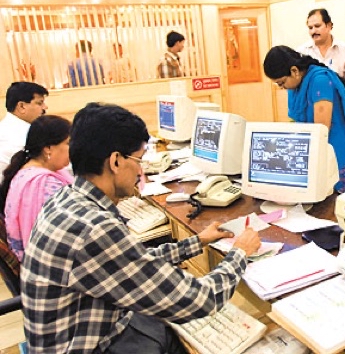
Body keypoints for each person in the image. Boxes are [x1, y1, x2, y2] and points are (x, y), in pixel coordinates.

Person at [21, 103, 261, 353]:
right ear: (115, 161)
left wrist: (196, 242)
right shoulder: (94, 228)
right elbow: (199, 300)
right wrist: (240, 253)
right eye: (139, 160)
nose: (141, 170)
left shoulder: (67, 199)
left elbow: (133, 262)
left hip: (88, 329)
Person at [263, 46, 345, 193]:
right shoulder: (298, 85)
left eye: (282, 83)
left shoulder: (320, 81)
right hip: (315, 146)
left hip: (333, 147)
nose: (282, 88)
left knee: (334, 197)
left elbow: (322, 129)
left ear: (294, 71)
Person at [0, 115, 73, 262]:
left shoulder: (27, 171)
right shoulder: (44, 185)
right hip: (45, 265)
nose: (73, 149)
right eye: (68, 143)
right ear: (48, 149)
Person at [297, 9, 345, 109]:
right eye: (310, 28)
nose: (313, 31)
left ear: (329, 26)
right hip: (311, 110)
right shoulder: (302, 52)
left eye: (317, 26)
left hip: (340, 108)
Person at [0, 82, 49, 184]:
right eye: (39, 103)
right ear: (21, 106)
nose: (45, 107)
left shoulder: (5, 127)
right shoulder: (18, 136)